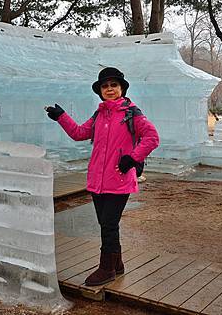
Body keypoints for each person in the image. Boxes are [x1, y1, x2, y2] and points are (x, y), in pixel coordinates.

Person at [45, 67, 159, 286]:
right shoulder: (99, 114)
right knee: (107, 225)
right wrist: (61, 117)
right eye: (105, 86)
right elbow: (79, 133)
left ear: (122, 89)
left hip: (119, 179)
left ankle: (106, 269)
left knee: (108, 225)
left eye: (113, 85)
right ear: (100, 91)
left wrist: (132, 158)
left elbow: (152, 137)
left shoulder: (131, 113)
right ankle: (117, 264)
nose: (109, 89)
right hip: (98, 181)